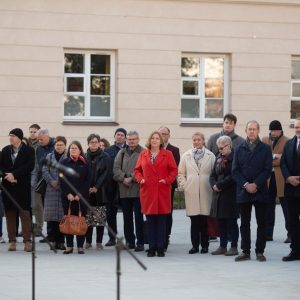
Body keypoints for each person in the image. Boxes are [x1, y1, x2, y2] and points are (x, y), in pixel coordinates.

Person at [232, 120, 272, 262]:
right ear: (246, 131)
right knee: (244, 223)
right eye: (249, 129)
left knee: (261, 223)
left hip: (260, 190)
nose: (252, 131)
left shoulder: (266, 149)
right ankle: (245, 251)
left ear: (258, 131)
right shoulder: (238, 149)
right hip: (244, 191)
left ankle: (260, 251)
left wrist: (256, 184)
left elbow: (267, 170)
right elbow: (235, 171)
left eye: (254, 129)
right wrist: (245, 184)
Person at [134, 131, 177, 257]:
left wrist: (167, 180)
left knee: (162, 221)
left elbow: (174, 170)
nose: (154, 140)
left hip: (162, 190)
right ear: (149, 140)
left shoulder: (167, 154)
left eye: (157, 138)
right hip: (147, 190)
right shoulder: (143, 154)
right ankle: (151, 247)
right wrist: (140, 179)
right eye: (152, 138)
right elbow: (137, 170)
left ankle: (160, 247)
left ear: (161, 141)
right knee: (150, 220)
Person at [178, 132, 215, 254]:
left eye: (199, 140)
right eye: (194, 140)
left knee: (204, 221)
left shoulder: (211, 155)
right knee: (194, 221)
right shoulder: (186, 155)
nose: (196, 142)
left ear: (203, 141)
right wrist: (184, 185)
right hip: (191, 190)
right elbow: (180, 173)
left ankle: (205, 246)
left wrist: (213, 186)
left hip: (206, 190)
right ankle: (194, 246)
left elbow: (214, 173)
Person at [0, 128, 35, 252]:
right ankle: (12, 241)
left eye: (13, 136)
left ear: (20, 137)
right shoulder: (5, 150)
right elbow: (1, 166)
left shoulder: (29, 150)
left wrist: (14, 175)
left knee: (25, 214)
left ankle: (27, 241)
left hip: (22, 187)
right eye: (10, 136)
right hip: (8, 187)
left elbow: (29, 166)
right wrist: (7, 176)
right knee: (10, 214)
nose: (11, 138)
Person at [113, 130, 144, 251]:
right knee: (127, 218)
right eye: (130, 139)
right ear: (127, 140)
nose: (131, 141)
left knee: (138, 217)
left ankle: (140, 242)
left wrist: (132, 178)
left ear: (138, 140)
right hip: (124, 190)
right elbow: (115, 169)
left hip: (138, 190)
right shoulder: (121, 152)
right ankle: (130, 241)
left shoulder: (143, 152)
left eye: (134, 139)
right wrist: (123, 178)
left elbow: (144, 170)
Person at [209, 136, 239, 256]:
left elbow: (233, 176)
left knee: (231, 222)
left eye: (222, 148)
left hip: (230, 195)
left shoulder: (234, 158)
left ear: (229, 146)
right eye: (219, 148)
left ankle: (234, 246)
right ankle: (222, 246)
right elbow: (212, 175)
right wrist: (214, 185)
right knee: (220, 222)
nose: (220, 150)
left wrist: (220, 185)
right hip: (218, 195)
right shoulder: (218, 158)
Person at [59, 141, 91, 254]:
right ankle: (69, 246)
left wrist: (80, 194)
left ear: (80, 150)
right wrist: (68, 193)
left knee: (80, 220)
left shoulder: (86, 163)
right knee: (69, 219)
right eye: (71, 148)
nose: (73, 150)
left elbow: (88, 180)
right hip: (67, 197)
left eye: (75, 148)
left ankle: (80, 246)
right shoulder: (64, 162)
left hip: (81, 197)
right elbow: (61, 179)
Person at [262, 120, 290, 242]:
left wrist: (273, 157)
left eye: (275, 130)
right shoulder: (264, 140)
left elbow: (285, 160)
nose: (273, 133)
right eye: (271, 130)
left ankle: (291, 233)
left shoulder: (287, 141)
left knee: (287, 207)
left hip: (281, 179)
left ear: (280, 130)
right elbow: (263, 158)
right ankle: (268, 234)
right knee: (268, 207)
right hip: (268, 178)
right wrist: (276, 156)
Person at [85, 134, 110, 250]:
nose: (93, 144)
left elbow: (106, 173)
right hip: (87, 191)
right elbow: (83, 173)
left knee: (100, 217)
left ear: (99, 143)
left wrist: (97, 187)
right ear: (88, 143)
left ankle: (99, 242)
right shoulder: (84, 156)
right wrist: (88, 187)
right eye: (91, 142)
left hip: (101, 191)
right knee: (88, 217)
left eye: (95, 142)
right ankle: (88, 241)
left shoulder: (105, 156)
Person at [42, 136, 67, 250]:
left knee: (62, 217)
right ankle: (53, 241)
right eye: (57, 145)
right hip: (51, 189)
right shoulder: (49, 156)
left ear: (65, 146)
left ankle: (61, 242)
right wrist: (52, 181)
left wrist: (61, 183)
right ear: (54, 146)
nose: (59, 147)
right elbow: (44, 170)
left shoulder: (68, 157)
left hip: (64, 189)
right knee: (52, 218)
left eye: (61, 145)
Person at [280, 118, 300, 261]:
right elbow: (283, 163)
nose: (298, 129)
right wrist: (288, 178)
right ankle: (295, 251)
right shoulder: (289, 144)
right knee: (293, 222)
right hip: (291, 190)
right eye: (296, 127)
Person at [104, 128, 127, 246]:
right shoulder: (108, 151)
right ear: (114, 136)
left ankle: (129, 238)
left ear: (125, 138)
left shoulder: (129, 150)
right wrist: (116, 177)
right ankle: (112, 238)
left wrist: (124, 178)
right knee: (110, 213)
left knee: (128, 213)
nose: (119, 137)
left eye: (122, 135)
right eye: (117, 134)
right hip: (111, 186)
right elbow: (106, 168)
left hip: (126, 185)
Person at [158, 126, 180, 249]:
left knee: (167, 211)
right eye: (160, 133)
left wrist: (165, 179)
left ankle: (166, 236)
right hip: (155, 186)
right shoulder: (152, 150)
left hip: (168, 186)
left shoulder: (174, 150)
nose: (162, 136)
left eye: (164, 134)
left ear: (169, 135)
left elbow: (174, 168)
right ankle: (157, 236)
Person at [36, 128, 55, 241]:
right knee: (46, 209)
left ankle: (56, 234)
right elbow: (39, 164)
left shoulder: (55, 146)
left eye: (42, 139)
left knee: (55, 209)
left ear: (48, 137)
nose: (40, 141)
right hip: (43, 181)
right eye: (39, 140)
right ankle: (49, 234)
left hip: (54, 181)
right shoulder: (38, 148)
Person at [28, 123, 42, 236]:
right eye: (31, 131)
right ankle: (26, 227)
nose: (32, 134)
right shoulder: (26, 143)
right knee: (26, 204)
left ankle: (38, 227)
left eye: (34, 131)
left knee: (37, 204)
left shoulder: (41, 144)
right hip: (25, 175)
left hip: (37, 176)